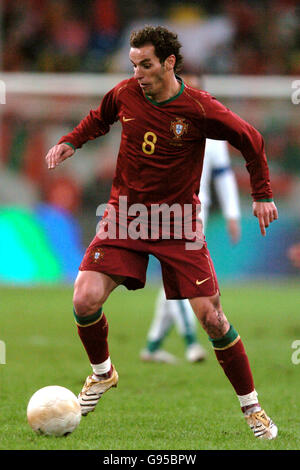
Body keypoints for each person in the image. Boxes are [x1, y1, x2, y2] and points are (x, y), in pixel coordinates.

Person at [45, 25, 278, 439]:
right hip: (125, 216)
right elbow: (98, 120)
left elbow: (251, 139)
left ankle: (253, 408)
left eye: (146, 65)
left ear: (169, 62)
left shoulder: (199, 108)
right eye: (133, 65)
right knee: (84, 298)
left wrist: (261, 194)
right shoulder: (124, 94)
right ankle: (103, 373)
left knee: (213, 318)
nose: (137, 73)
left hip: (178, 223)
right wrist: (71, 142)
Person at [140, 138, 241, 364]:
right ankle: (191, 342)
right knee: (180, 278)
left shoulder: (213, 131)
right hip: (168, 212)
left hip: (196, 214)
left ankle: (153, 345)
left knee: (178, 278)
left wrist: (232, 213)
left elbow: (223, 174)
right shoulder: (166, 120)